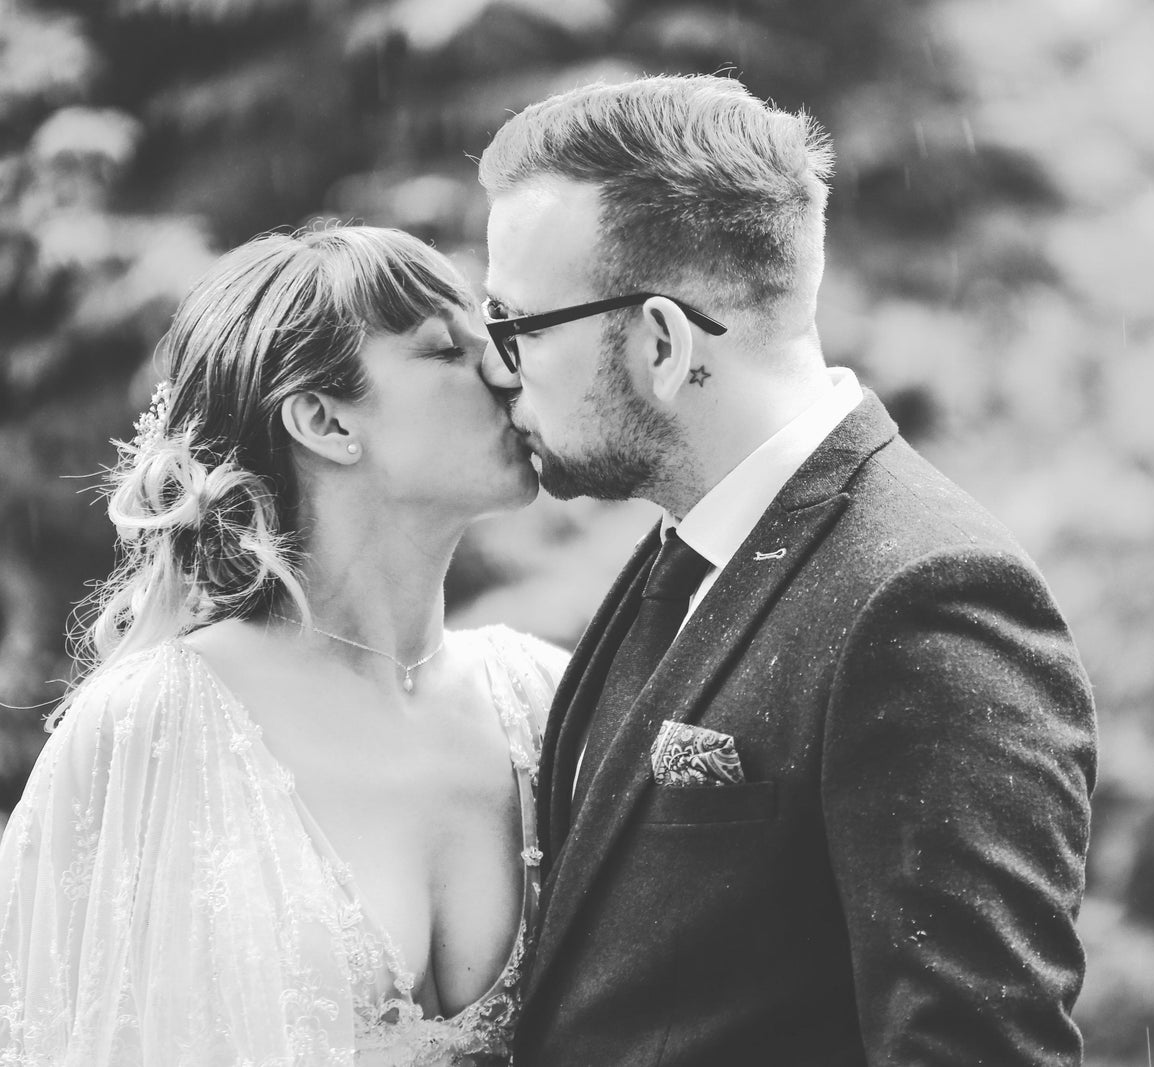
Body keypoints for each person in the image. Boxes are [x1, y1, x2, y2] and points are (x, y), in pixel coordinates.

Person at [478, 75, 1098, 1066]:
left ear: (660, 342)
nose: (499, 364)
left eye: (516, 324)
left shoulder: (927, 598)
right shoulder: (682, 554)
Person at [0, 226, 567, 1064]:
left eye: (496, 338)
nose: (506, 370)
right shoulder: (151, 727)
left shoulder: (547, 694)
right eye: (449, 350)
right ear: (324, 418)